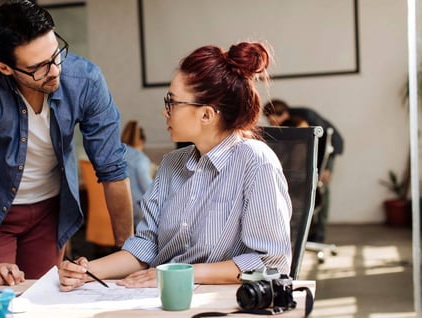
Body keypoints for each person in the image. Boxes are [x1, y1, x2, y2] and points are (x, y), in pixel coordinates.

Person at [58, 41, 292, 291]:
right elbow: (146, 246)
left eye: (172, 102)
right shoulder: (172, 164)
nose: (164, 112)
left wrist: (178, 274)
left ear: (206, 115)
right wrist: (86, 270)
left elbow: (271, 263)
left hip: (220, 300)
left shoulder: (256, 162)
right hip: (161, 296)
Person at [0, 0, 133, 286]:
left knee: (44, 301)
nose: (55, 70)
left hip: (50, 213)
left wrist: (130, 254)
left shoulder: (86, 79)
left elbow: (112, 169)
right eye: (38, 67)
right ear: (4, 67)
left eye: (56, 55)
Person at [263, 99, 344, 243]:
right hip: (314, 154)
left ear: (284, 113)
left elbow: (325, 141)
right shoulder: (288, 124)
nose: (271, 123)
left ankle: (320, 234)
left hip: (329, 149)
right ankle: (307, 232)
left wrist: (325, 168)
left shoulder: (305, 118)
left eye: (272, 119)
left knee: (322, 189)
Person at [121, 120, 154, 227]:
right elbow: (149, 189)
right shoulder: (140, 159)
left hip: (117, 209)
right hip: (137, 213)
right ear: (140, 141)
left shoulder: (115, 155)